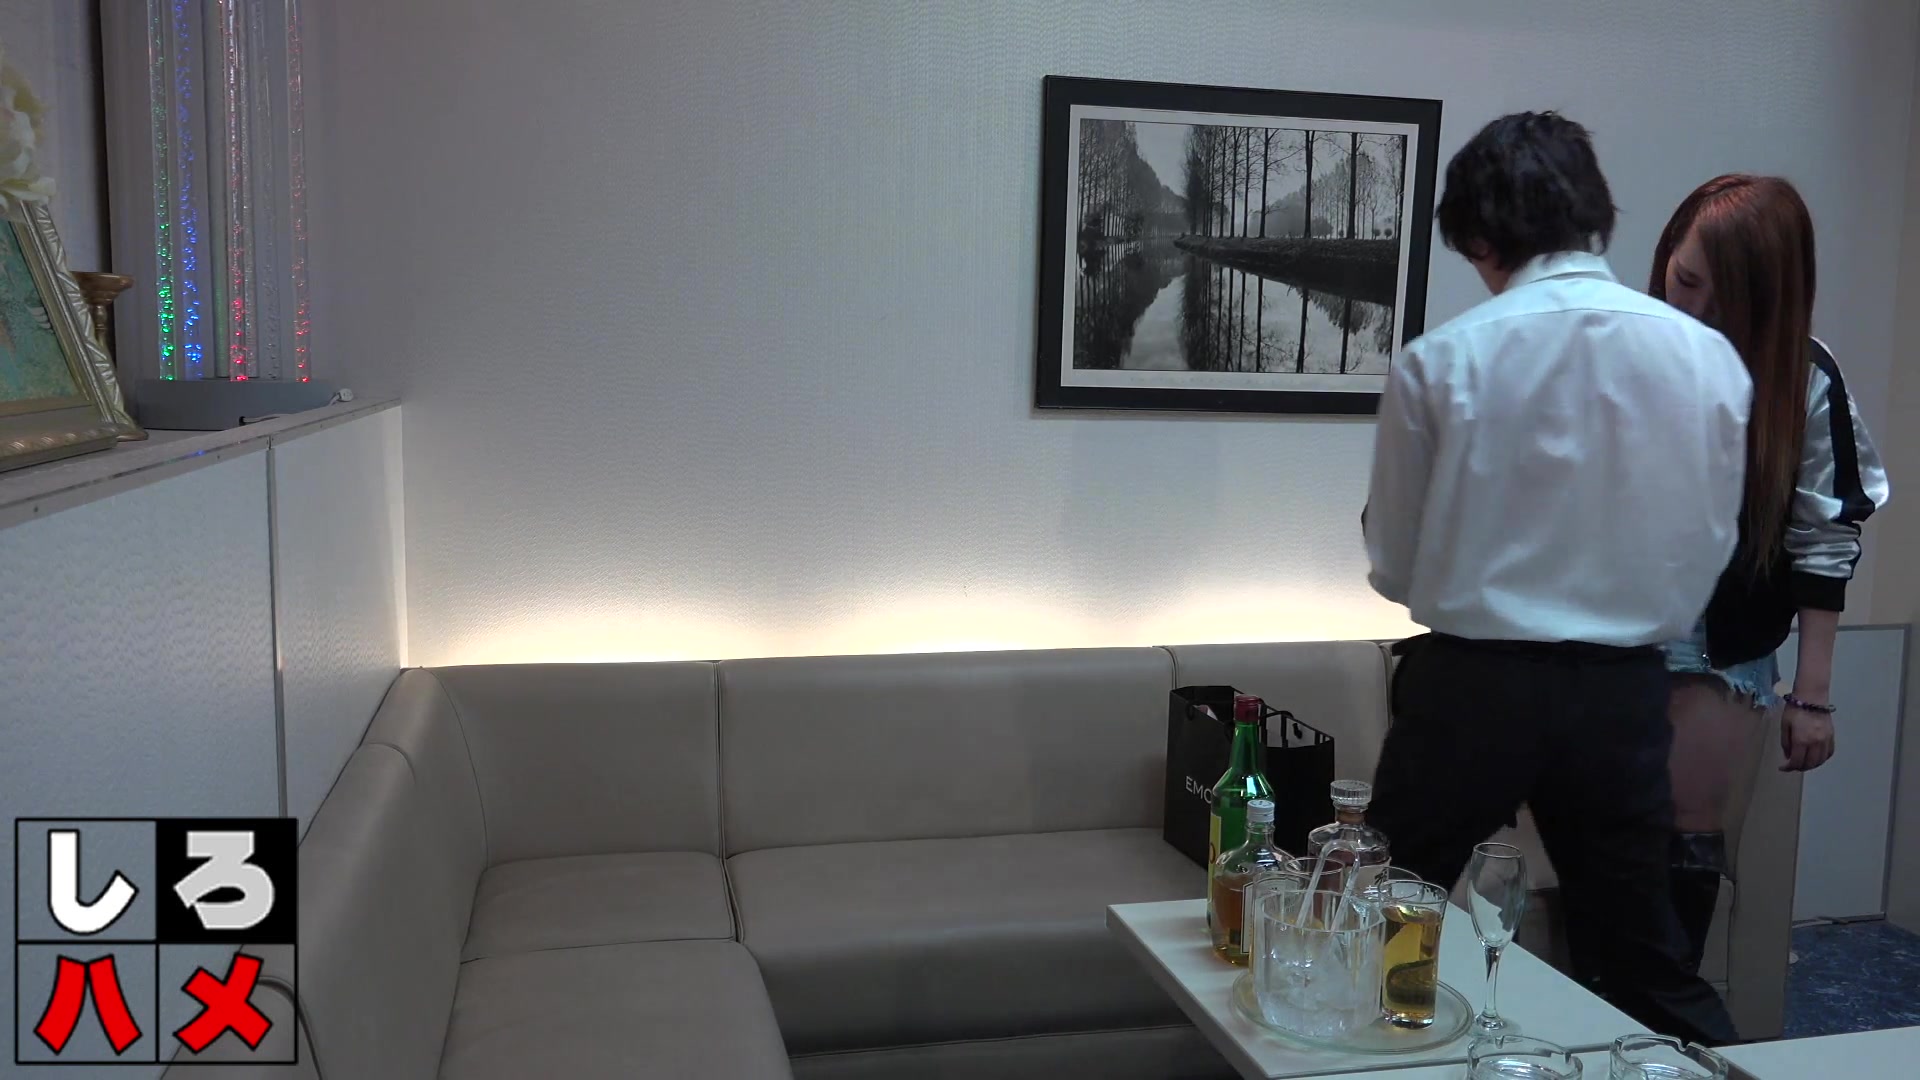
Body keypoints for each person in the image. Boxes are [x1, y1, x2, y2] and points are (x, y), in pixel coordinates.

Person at [1361, 111, 1749, 1046]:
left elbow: (1395, 564)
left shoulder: (1441, 361)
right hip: (1622, 693)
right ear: (1595, 218)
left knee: (1391, 919)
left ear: (1481, 240)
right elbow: (1709, 548)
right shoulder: (1709, 361)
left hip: (1471, 687)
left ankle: (1376, 1057)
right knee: (1643, 956)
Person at [1648, 175, 1890, 973]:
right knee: (1608, 848)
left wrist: (1812, 698)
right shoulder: (1629, 346)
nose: (1694, 310)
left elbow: (1825, 539)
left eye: (1724, 299)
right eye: (1685, 279)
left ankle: (1658, 1025)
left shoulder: (1804, 379)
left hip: (1714, 647)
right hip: (1601, 636)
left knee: (1680, 860)